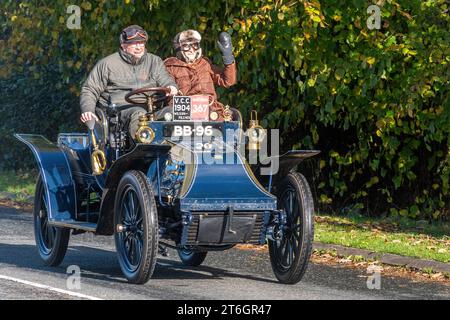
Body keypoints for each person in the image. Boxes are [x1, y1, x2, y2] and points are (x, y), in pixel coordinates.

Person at [80, 25, 178, 138]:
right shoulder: (107, 64)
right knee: (139, 113)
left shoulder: (154, 61)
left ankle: (178, 151)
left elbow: (165, 79)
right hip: (120, 111)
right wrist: (88, 110)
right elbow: (90, 89)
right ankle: (142, 148)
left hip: (152, 109)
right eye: (134, 43)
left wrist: (171, 86)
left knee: (175, 112)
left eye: (141, 42)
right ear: (123, 45)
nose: (139, 47)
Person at [164, 29, 237, 121]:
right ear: (179, 48)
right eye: (186, 46)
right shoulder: (171, 66)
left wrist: (228, 58)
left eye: (195, 45)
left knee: (227, 123)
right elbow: (169, 93)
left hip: (210, 108)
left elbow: (228, 81)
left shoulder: (205, 64)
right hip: (184, 110)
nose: (191, 50)